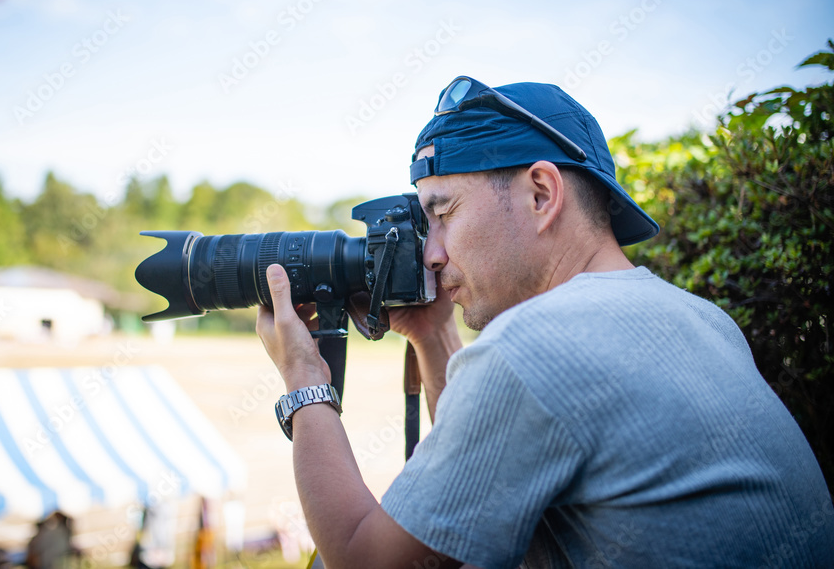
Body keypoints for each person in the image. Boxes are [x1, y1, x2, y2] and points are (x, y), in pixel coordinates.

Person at [255, 77, 834, 568]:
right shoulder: (703, 320)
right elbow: (476, 487)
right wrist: (432, 336)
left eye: (444, 211)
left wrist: (305, 381)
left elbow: (364, 559)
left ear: (540, 194)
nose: (431, 254)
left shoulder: (538, 347)